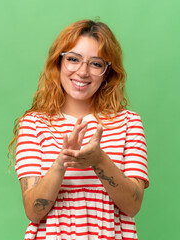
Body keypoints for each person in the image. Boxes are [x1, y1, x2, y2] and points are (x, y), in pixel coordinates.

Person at [9, 19, 149, 240]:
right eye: (73, 59)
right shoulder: (34, 123)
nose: (82, 72)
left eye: (95, 63)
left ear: (108, 71)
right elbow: (33, 211)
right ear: (59, 63)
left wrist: (99, 160)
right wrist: (60, 163)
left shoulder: (128, 122)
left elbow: (133, 206)